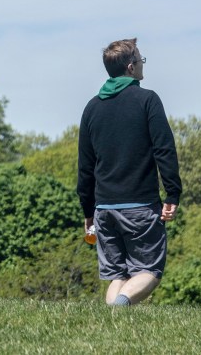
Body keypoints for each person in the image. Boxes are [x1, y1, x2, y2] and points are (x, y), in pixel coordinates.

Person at [76, 38, 182, 306]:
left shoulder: (91, 108)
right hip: (140, 207)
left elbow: (85, 167)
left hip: (105, 208)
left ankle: (112, 323)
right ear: (131, 67)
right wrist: (172, 194)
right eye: (141, 60)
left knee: (117, 274)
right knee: (150, 271)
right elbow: (164, 150)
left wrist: (88, 213)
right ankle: (120, 307)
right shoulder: (147, 100)